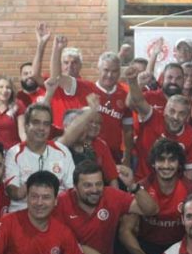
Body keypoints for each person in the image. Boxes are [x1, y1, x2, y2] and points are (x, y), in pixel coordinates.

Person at [51, 37, 133, 165]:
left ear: (119, 72)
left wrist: (127, 156)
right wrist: (57, 50)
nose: (110, 75)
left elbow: (128, 129)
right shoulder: (84, 87)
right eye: (106, 70)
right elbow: (57, 77)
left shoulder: (124, 94)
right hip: (86, 151)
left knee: (112, 183)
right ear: (98, 69)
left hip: (114, 155)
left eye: (114, 71)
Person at [125, 65, 192, 181]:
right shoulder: (153, 117)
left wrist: (186, 193)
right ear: (164, 110)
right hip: (143, 180)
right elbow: (137, 101)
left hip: (170, 186)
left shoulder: (190, 135)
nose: (175, 117)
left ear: (187, 116)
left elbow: (189, 169)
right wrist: (133, 81)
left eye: (181, 113)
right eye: (172, 111)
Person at [4, 103, 75, 212]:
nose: (41, 128)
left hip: (56, 214)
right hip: (23, 212)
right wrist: (22, 191)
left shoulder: (62, 151)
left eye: (46, 124)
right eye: (36, 123)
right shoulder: (14, 153)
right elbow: (13, 191)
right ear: (26, 126)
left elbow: (72, 189)